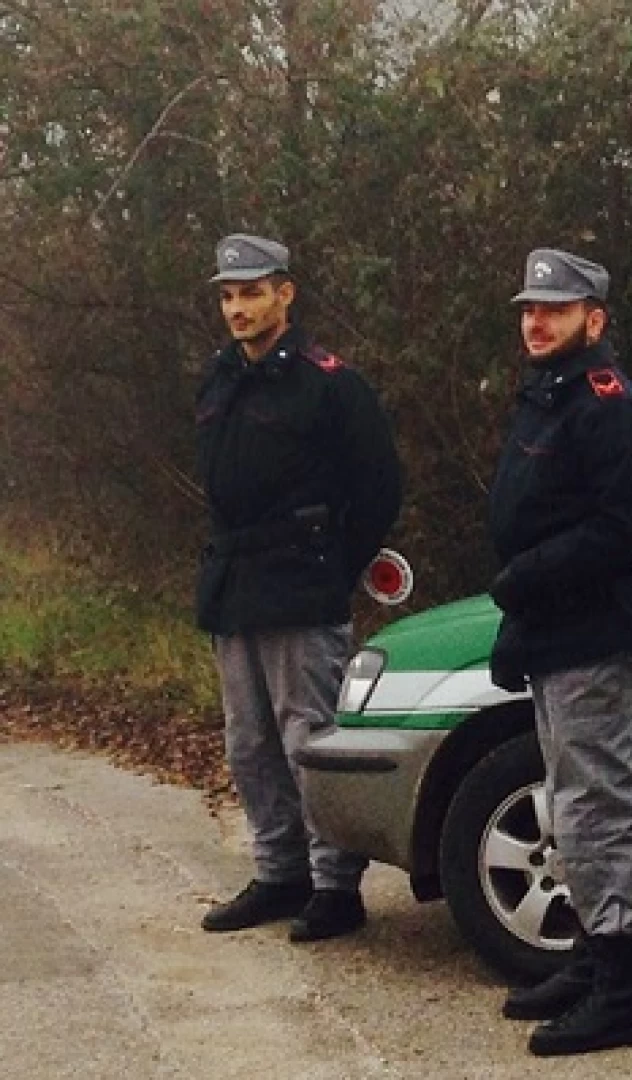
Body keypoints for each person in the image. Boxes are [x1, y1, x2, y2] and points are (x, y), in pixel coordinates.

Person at [194, 233, 402, 942]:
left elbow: (378, 487)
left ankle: (334, 885)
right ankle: (279, 872)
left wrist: (335, 566)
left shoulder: (329, 382)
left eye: (251, 292)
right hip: (236, 583)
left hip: (301, 581)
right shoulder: (221, 378)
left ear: (285, 293)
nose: (238, 307)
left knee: (307, 738)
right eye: (227, 295)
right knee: (249, 743)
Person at [487, 248, 632, 1057]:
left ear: (593, 320)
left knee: (601, 808)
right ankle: (593, 960)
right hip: (552, 631)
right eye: (529, 308)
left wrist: (525, 579)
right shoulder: (547, 396)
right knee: (570, 803)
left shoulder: (606, 405)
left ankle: (624, 994)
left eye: (554, 310)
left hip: (590, 630)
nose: (536, 320)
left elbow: (624, 530)